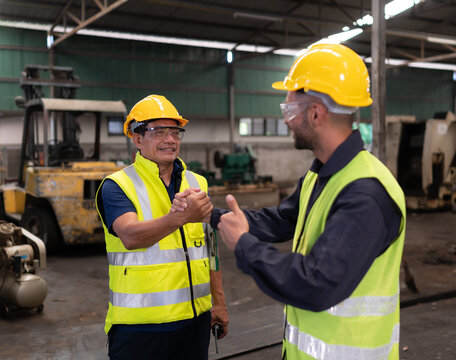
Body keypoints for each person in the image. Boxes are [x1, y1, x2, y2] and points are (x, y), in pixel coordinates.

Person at [174, 43, 406, 359]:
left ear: (315, 113)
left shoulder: (366, 193)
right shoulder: (322, 175)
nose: (285, 121)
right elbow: (283, 220)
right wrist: (211, 215)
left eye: (289, 111)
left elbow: (315, 284)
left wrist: (243, 245)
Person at [95, 94, 229, 360]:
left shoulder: (197, 182)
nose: (170, 140)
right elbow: (131, 236)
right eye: (159, 131)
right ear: (137, 138)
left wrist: (220, 303)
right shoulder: (117, 186)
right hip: (140, 329)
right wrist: (179, 217)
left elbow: (210, 251)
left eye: (176, 132)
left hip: (195, 322)